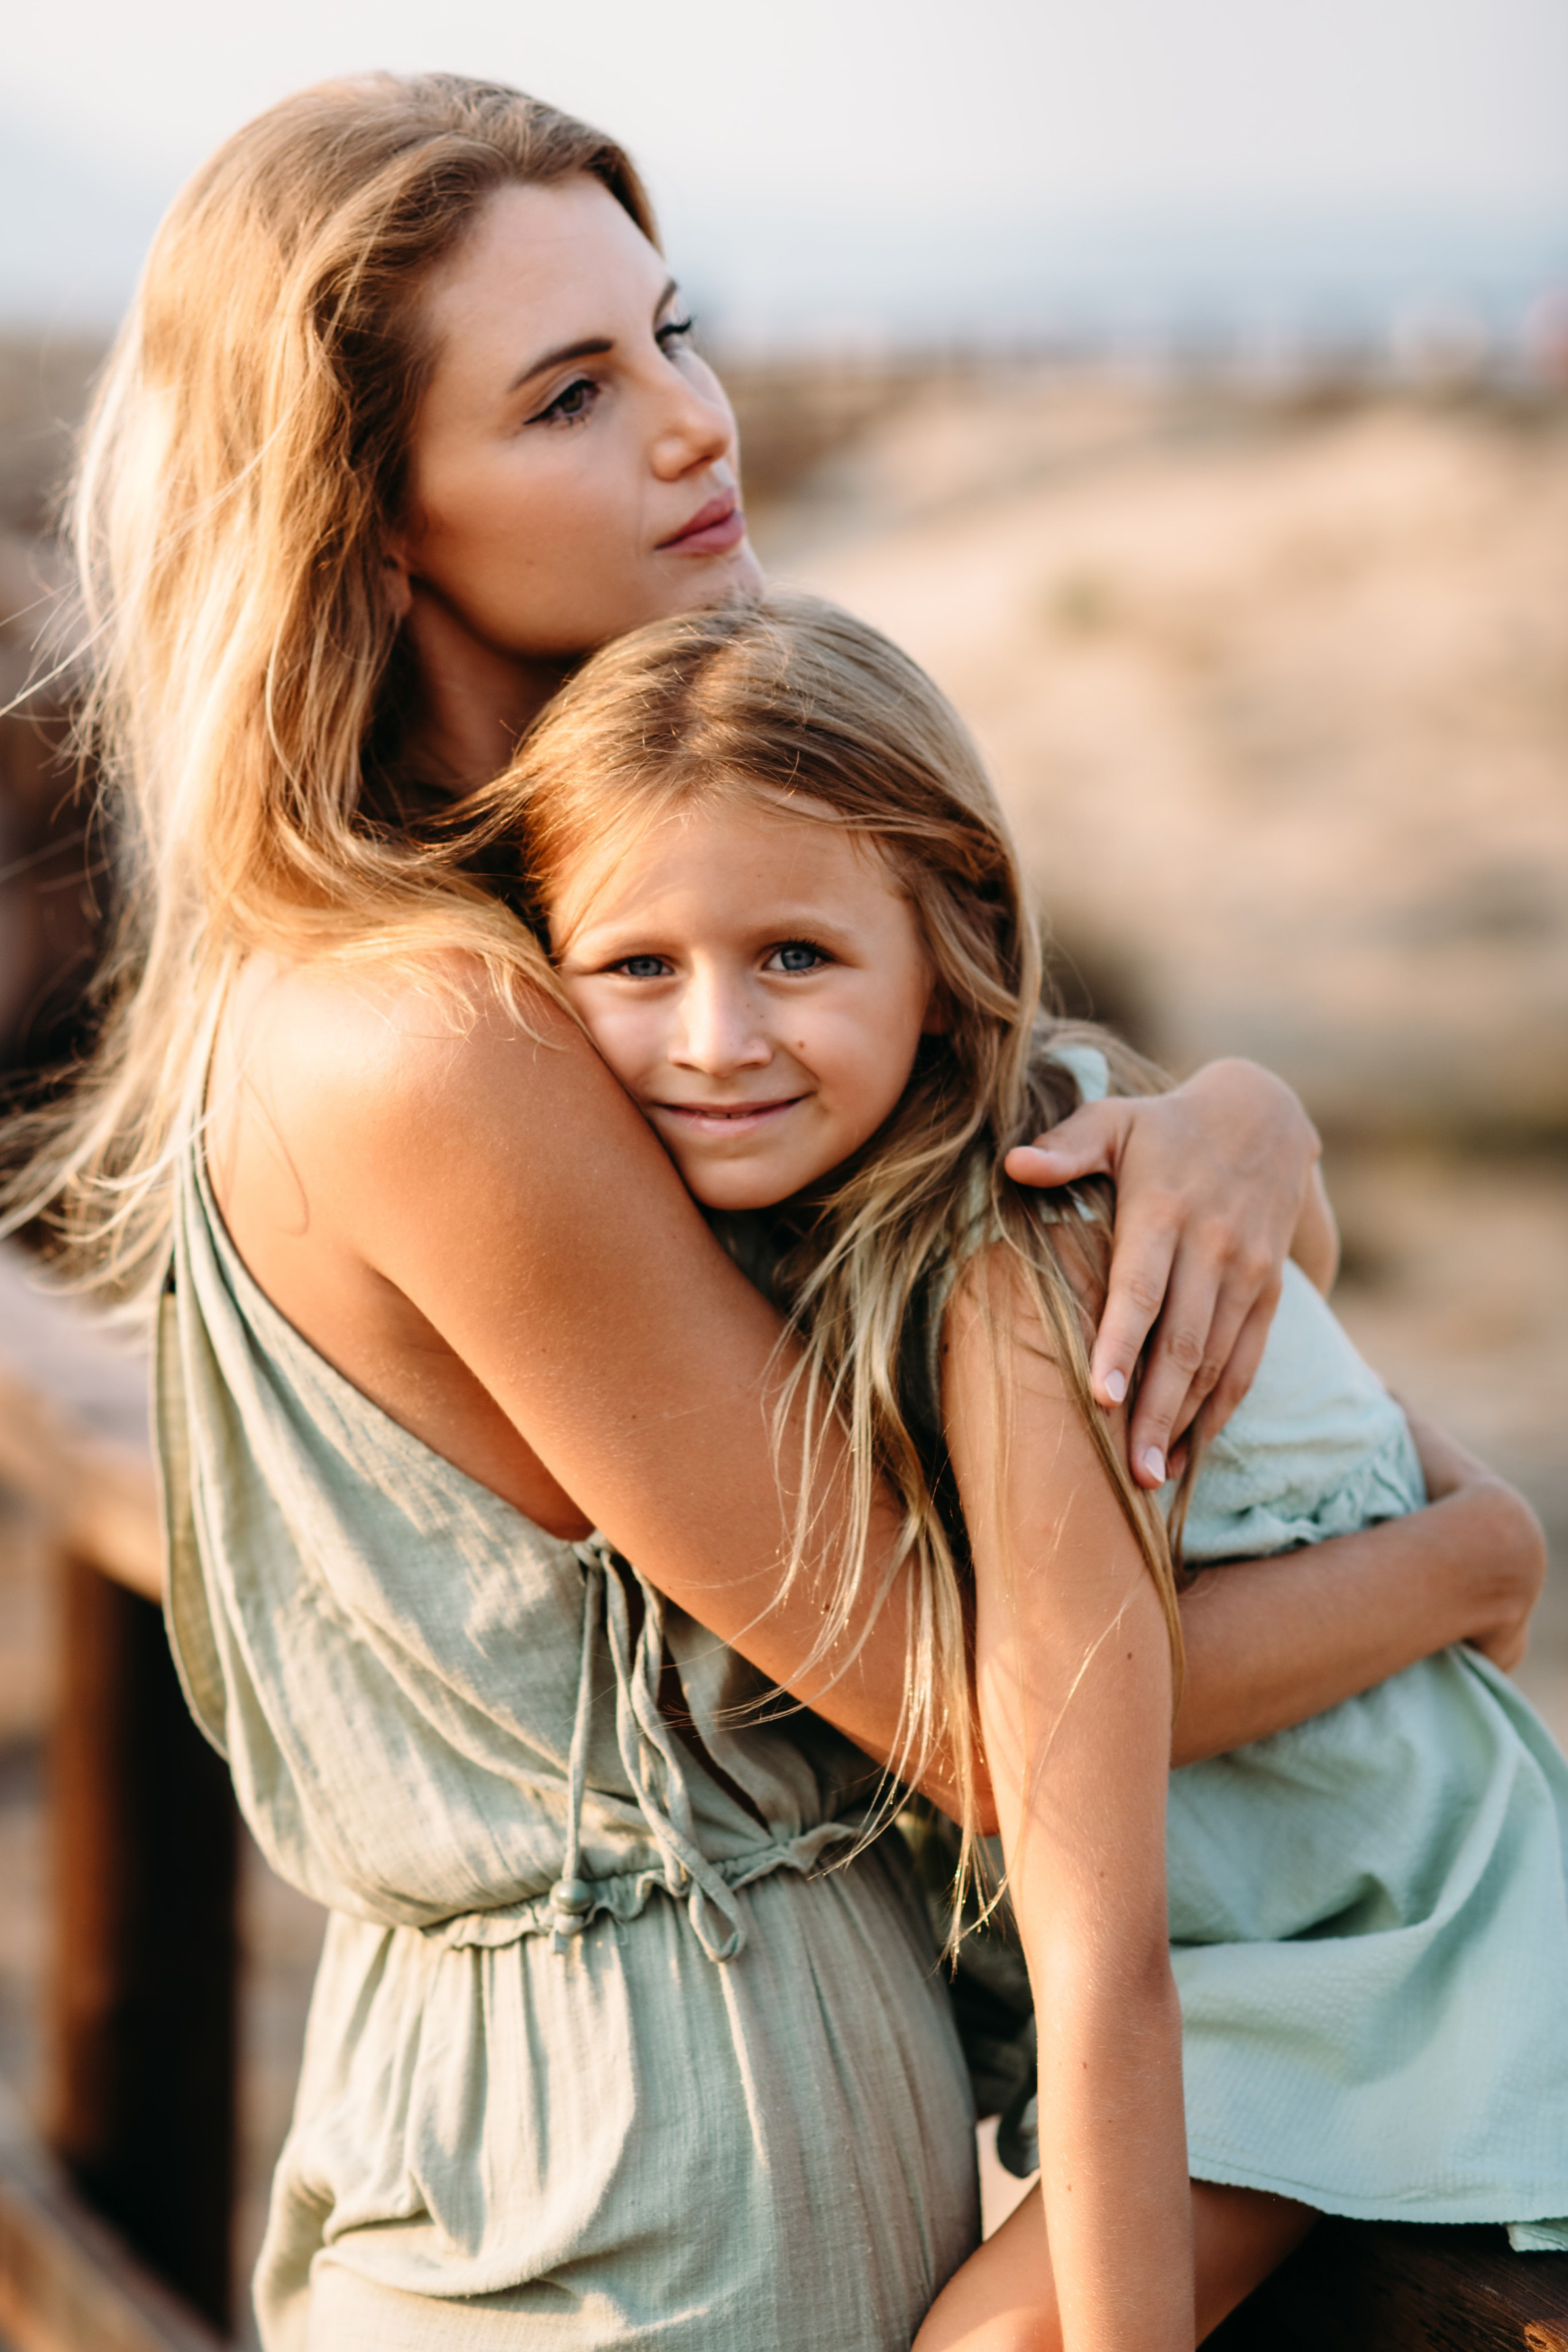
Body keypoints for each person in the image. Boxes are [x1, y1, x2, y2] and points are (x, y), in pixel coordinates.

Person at [4, 72, 1542, 2350]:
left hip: (608, 2139)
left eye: (674, 333)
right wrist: (1474, 1560)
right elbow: (965, 1701)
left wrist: (1227, 1123)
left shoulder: (556, 948)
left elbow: (965, 1213)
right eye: (568, 395)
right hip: (654, 2188)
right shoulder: (443, 1035)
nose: (695, 427)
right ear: (371, 513)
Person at [500, 587, 1568, 2351]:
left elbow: (1102, 1944)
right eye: (635, 968)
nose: (714, 1040)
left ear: (950, 944)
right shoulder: (838, 1216)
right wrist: (1479, 1551)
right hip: (1283, 1923)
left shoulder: (1014, 1266)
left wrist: (1485, 1550)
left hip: (1381, 1938)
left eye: (795, 957)